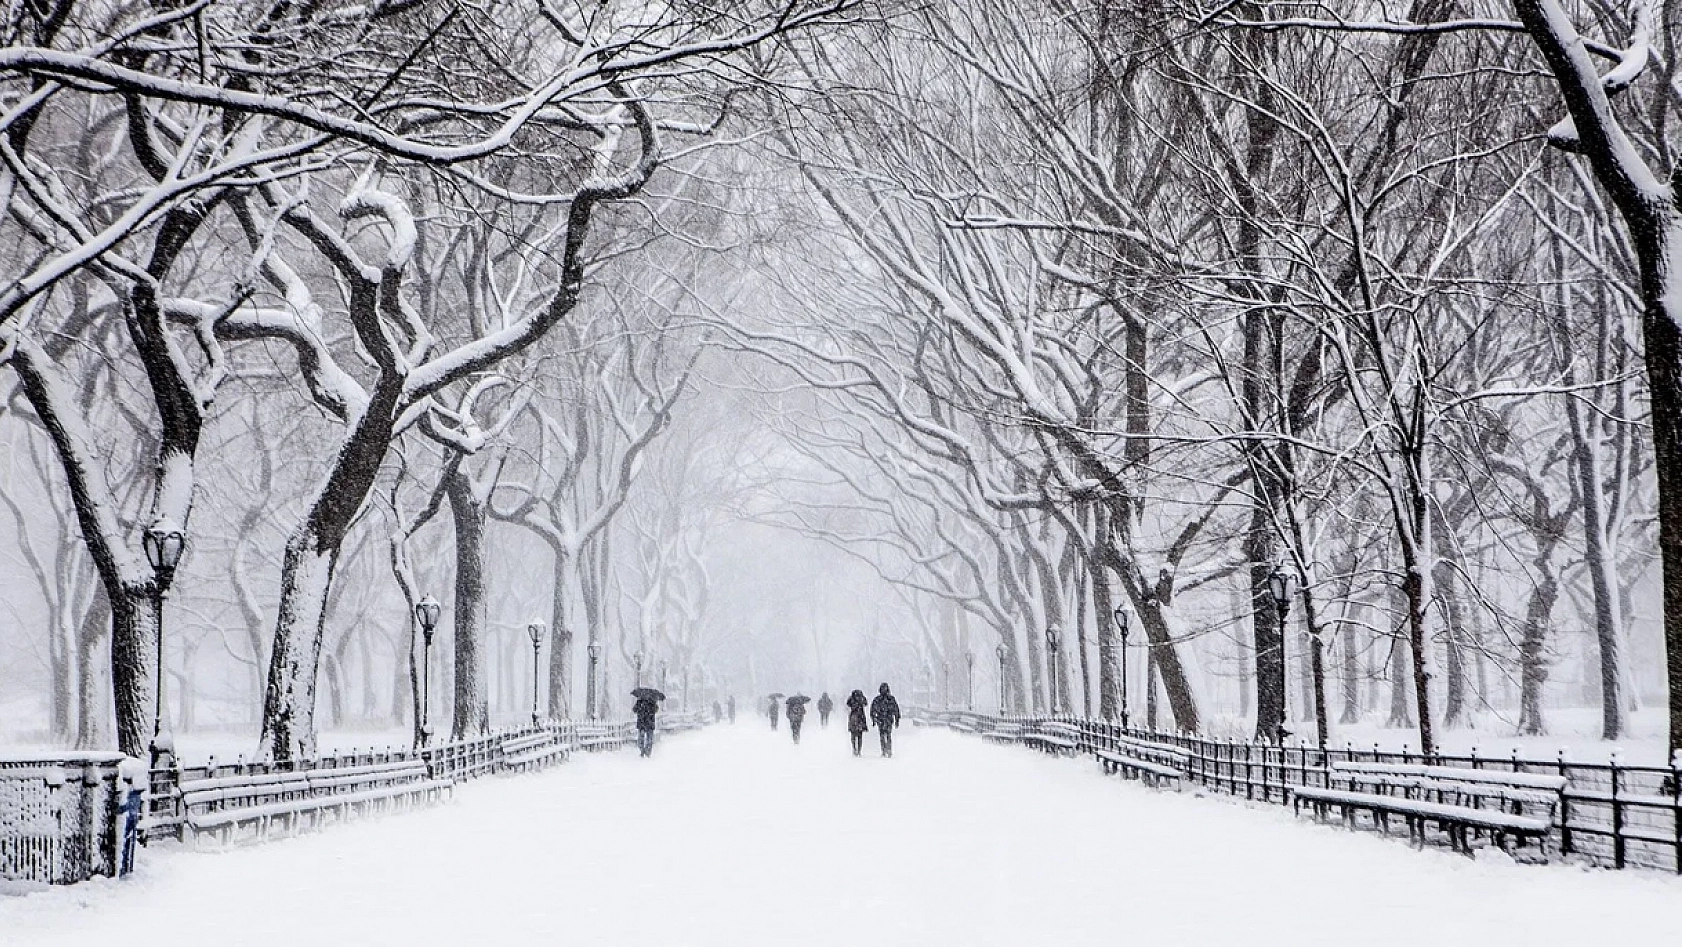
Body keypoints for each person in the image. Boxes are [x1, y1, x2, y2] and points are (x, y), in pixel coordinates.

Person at [870, 683, 901, 758]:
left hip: (881, 719)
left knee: (883, 735)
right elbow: (896, 709)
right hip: (888, 719)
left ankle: (884, 750)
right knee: (888, 735)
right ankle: (888, 750)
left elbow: (873, 710)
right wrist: (897, 719)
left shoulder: (877, 699)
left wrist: (874, 719)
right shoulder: (891, 699)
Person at [633, 693, 660, 758]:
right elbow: (656, 710)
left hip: (642, 723)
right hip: (649, 723)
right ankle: (647, 751)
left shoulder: (640, 702)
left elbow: (634, 710)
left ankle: (643, 751)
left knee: (641, 739)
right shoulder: (652, 702)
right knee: (649, 739)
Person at [846, 689, 869, 757]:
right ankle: (859, 750)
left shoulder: (851, 699)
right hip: (860, 717)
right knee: (860, 736)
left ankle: (854, 749)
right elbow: (866, 703)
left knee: (853, 735)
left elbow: (848, 704)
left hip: (853, 717)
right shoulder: (862, 699)